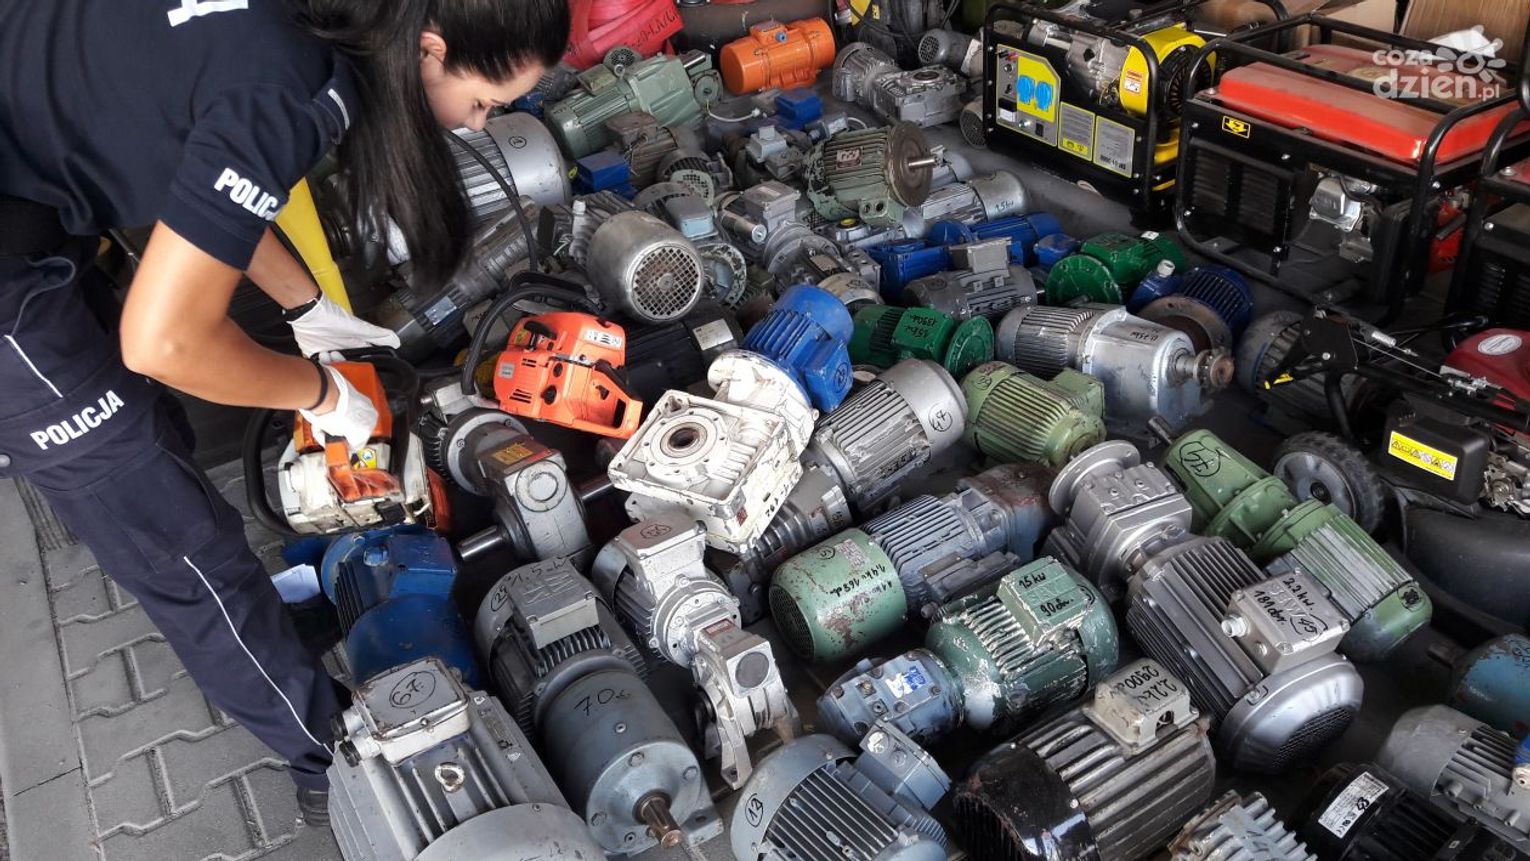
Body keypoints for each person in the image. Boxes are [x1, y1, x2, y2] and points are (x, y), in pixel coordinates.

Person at [0, 0, 568, 822]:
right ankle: (331, 761)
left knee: (150, 437)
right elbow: (161, 341)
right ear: (430, 49)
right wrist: (320, 393)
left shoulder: (319, 18)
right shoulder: (298, 85)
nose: (477, 124)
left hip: (26, 196)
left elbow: (196, 166)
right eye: (482, 103)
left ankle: (263, 635)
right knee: (171, 535)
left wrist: (306, 306)